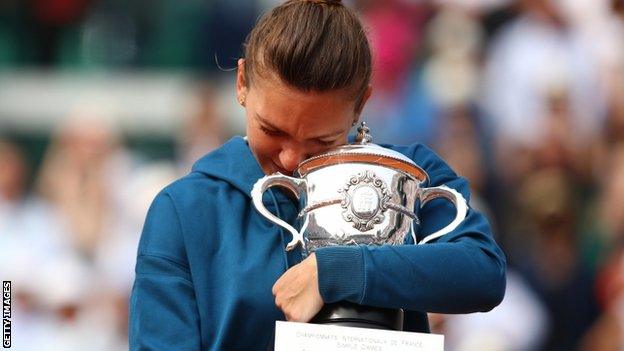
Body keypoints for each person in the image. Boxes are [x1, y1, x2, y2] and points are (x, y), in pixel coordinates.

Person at [128, 0, 506, 350]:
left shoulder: (407, 174)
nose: (291, 159)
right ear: (241, 82)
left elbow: (483, 272)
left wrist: (340, 271)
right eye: (272, 130)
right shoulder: (184, 209)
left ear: (361, 104)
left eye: (321, 141)